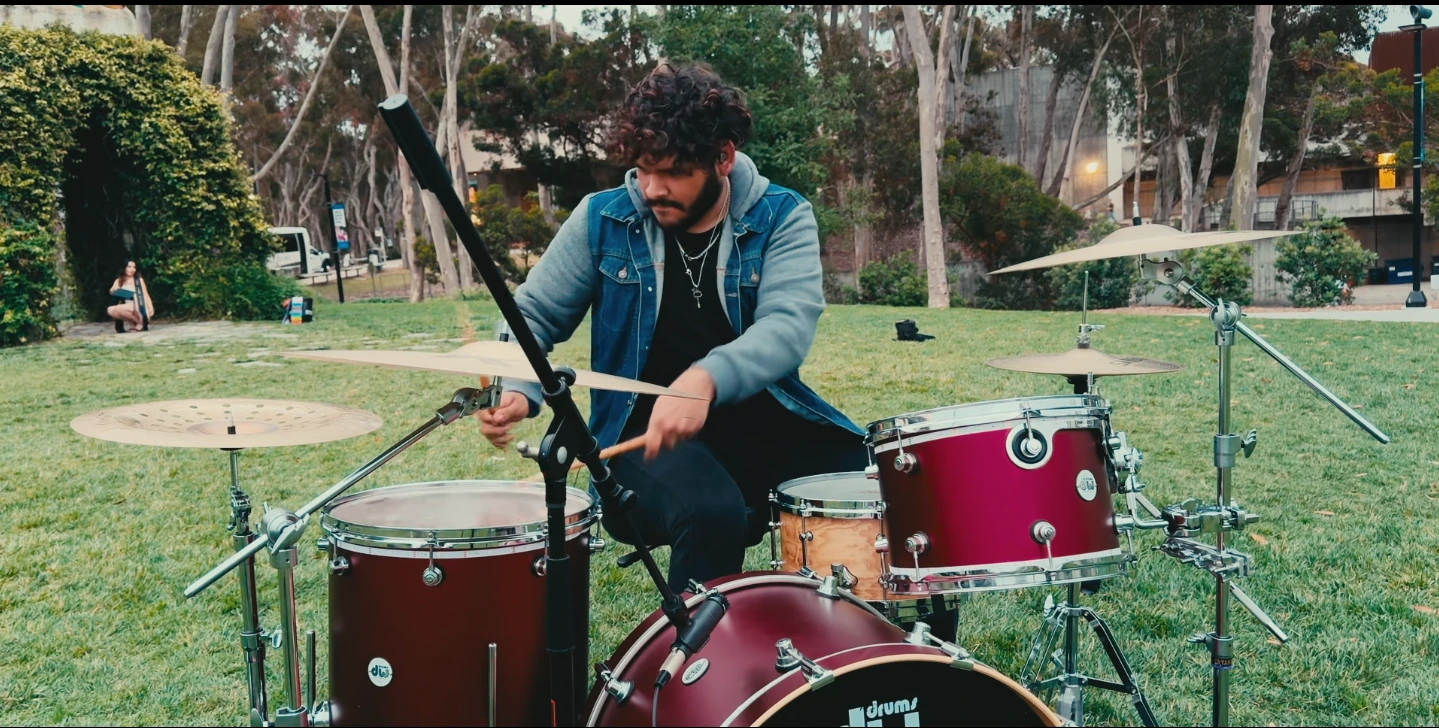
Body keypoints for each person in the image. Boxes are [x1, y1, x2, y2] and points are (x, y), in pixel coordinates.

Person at [477, 64, 869, 594]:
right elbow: (533, 316)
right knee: (711, 512)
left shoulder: (781, 216)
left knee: (888, 485)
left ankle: (917, 661)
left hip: (762, 419)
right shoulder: (603, 219)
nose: (652, 188)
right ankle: (693, 669)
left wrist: (704, 380)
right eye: (642, 169)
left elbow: (787, 325)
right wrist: (519, 391)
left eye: (673, 171)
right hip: (642, 435)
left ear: (723, 158)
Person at [107, 260, 153, 333]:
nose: (132, 269)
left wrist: (151, 307)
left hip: (139, 305)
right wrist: (114, 289)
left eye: (134, 267)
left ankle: (141, 322)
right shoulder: (119, 280)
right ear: (124, 268)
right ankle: (135, 323)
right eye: (129, 267)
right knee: (110, 310)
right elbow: (112, 291)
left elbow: (146, 294)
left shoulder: (138, 280)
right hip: (127, 305)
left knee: (120, 307)